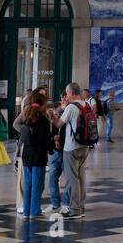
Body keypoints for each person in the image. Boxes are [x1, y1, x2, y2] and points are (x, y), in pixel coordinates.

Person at [55, 82, 92, 217]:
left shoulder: (71, 107)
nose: (66, 96)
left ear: (71, 93)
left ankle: (75, 209)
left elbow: (59, 124)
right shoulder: (86, 104)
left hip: (72, 147)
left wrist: (53, 116)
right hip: (85, 145)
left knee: (72, 179)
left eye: (67, 93)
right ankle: (81, 207)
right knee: (81, 177)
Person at [18, 92, 52, 218]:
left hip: (26, 153)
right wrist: (52, 149)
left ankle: (26, 211)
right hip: (39, 155)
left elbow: (17, 126)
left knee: (28, 183)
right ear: (43, 104)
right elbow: (46, 139)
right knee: (37, 184)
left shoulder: (26, 116)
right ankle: (34, 210)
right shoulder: (43, 119)